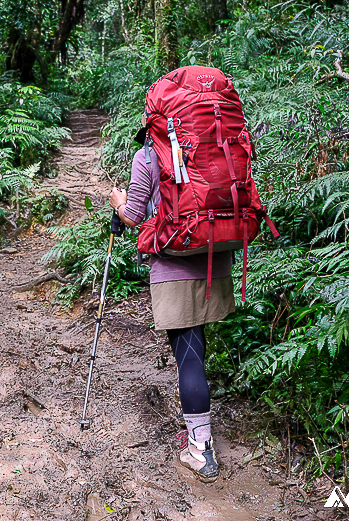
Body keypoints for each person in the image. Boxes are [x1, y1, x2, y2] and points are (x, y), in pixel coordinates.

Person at [108, 124, 236, 483]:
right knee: (195, 346)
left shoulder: (148, 154)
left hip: (174, 263)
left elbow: (133, 215)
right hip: (214, 256)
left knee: (188, 356)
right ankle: (199, 433)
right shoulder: (210, 144)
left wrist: (118, 203)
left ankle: (200, 450)